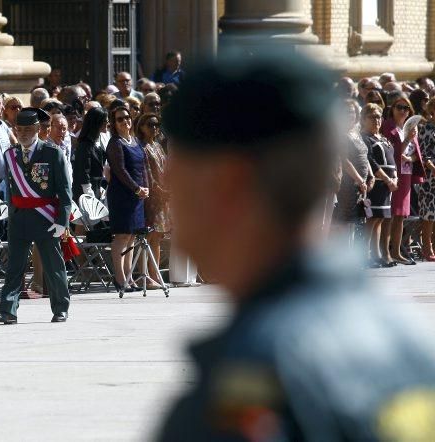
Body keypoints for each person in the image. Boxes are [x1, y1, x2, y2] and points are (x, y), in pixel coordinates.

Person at [157, 51, 435, 441]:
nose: (167, 193)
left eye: (178, 177)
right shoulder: (410, 342)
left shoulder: (249, 378)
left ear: (227, 184)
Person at [0, 107, 72, 325]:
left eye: (28, 129)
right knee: (14, 267)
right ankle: (8, 310)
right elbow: (11, 191)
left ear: (38, 129)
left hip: (46, 218)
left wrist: (62, 221)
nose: (23, 133)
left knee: (53, 267)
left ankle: (60, 308)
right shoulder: (11, 155)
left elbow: (65, 191)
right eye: (19, 129)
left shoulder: (53, 153)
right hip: (19, 219)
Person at [106, 106, 148, 292]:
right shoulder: (115, 143)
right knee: (122, 235)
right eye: (120, 119)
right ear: (114, 123)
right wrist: (137, 188)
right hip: (122, 194)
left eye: (127, 117)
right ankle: (120, 278)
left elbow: (142, 167)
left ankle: (129, 277)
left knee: (131, 236)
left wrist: (145, 187)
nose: (125, 121)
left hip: (137, 195)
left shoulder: (135, 141)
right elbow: (120, 171)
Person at [381, 94, 425, 265]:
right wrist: (406, 140)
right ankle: (386, 251)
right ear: (392, 109)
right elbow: (391, 152)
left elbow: (416, 153)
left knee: (401, 215)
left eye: (406, 108)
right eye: (399, 107)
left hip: (406, 174)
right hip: (394, 174)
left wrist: (411, 159)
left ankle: (397, 251)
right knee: (390, 214)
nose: (402, 110)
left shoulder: (410, 127)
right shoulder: (388, 127)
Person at [363, 103, 399, 268]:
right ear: (364, 119)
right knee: (372, 219)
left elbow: (393, 160)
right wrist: (386, 179)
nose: (377, 120)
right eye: (372, 117)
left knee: (380, 219)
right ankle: (366, 255)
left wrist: (395, 177)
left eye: (379, 117)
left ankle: (377, 254)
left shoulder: (383, 138)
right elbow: (371, 161)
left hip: (388, 184)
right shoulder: (365, 138)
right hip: (377, 183)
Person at [334, 99, 375, 244]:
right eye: (346, 112)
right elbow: (345, 161)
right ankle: (344, 254)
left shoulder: (356, 132)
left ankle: (350, 251)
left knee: (354, 221)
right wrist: (359, 179)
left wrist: (371, 176)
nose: (350, 115)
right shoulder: (341, 134)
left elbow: (364, 155)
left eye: (352, 111)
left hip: (360, 185)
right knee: (346, 220)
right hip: (348, 183)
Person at [136, 113, 169, 288]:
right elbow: (147, 175)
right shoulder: (141, 147)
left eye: (157, 124)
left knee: (157, 236)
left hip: (163, 196)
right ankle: (146, 275)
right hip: (150, 197)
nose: (154, 128)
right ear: (141, 126)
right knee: (149, 236)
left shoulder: (156, 145)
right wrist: (160, 191)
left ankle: (154, 275)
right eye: (150, 124)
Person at [72, 107, 108, 201]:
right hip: (85, 194)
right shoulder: (85, 145)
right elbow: (83, 172)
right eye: (104, 121)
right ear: (96, 122)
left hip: (96, 188)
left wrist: (100, 187)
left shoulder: (99, 141)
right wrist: (89, 194)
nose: (107, 123)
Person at [417, 98, 435, 260]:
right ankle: (426, 247)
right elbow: (423, 154)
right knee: (429, 214)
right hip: (430, 178)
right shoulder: (426, 128)